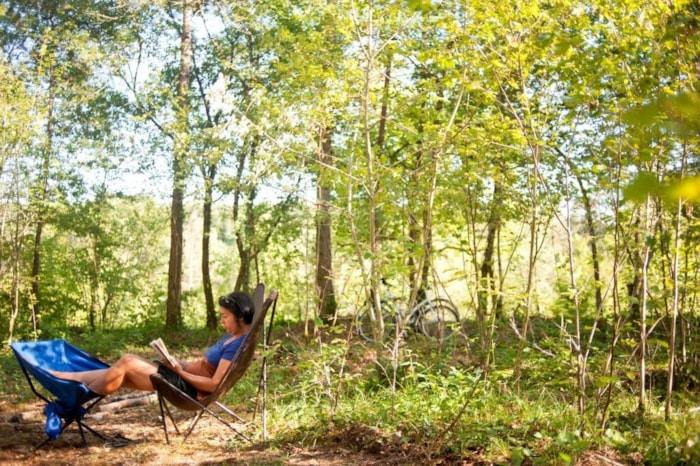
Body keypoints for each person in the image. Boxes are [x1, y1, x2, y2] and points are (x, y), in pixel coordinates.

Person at [50, 291, 254, 399]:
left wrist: (179, 371)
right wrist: (178, 362)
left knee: (128, 362)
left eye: (225, 317)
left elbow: (214, 385)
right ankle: (65, 378)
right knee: (123, 368)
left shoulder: (237, 345)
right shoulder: (232, 337)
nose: (222, 321)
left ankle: (73, 400)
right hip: (181, 376)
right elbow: (205, 367)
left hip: (188, 388)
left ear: (241, 317)